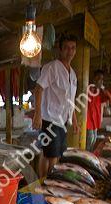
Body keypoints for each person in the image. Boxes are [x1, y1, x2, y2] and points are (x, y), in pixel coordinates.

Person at [33, 34, 79, 178]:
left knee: (57, 154)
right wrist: (37, 114)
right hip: (49, 119)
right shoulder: (52, 67)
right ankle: (45, 183)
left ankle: (49, 182)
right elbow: (38, 89)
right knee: (50, 155)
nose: (69, 51)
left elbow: (70, 100)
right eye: (66, 48)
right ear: (60, 49)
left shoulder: (73, 74)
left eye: (72, 48)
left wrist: (75, 121)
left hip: (63, 121)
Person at [87, 69, 111, 152]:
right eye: (99, 78)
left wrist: (102, 88)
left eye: (102, 79)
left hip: (95, 123)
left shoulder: (99, 92)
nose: (100, 81)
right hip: (88, 123)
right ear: (94, 79)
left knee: (93, 142)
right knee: (88, 144)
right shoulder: (88, 90)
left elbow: (109, 97)